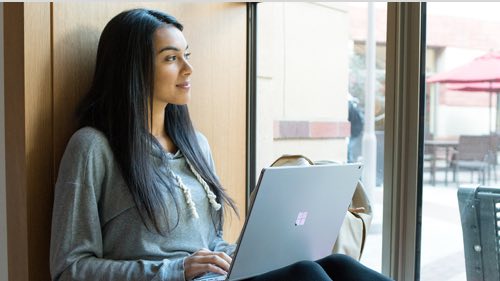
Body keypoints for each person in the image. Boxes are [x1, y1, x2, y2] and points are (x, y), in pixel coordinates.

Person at [50, 8, 393, 281]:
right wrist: (176, 270)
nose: (189, 68)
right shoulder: (93, 147)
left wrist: (240, 255)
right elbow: (70, 268)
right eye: (171, 58)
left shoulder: (196, 144)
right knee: (305, 274)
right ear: (132, 68)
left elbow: (209, 243)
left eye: (186, 55)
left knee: (336, 264)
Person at [347, 96, 364, 163]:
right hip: (355, 131)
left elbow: (351, 119)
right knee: (349, 148)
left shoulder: (351, 108)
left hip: (354, 131)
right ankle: (350, 162)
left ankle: (350, 162)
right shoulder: (354, 108)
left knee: (349, 148)